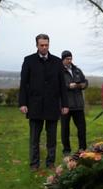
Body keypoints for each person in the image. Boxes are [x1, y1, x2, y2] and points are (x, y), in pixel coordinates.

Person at [19, 34, 69, 171]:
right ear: (37, 45)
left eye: (46, 45)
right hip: (35, 105)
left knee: (51, 137)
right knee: (35, 137)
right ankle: (34, 164)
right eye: (42, 45)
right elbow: (24, 84)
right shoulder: (29, 60)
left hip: (53, 105)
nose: (44, 47)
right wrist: (23, 103)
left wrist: (65, 104)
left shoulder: (57, 61)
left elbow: (62, 85)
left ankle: (50, 162)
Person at [60, 50, 88, 156]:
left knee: (82, 128)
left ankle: (83, 148)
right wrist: (68, 86)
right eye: (67, 59)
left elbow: (85, 81)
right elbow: (57, 86)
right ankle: (66, 150)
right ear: (63, 59)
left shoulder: (77, 70)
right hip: (65, 105)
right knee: (65, 129)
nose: (69, 61)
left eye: (70, 58)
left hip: (78, 105)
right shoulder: (59, 71)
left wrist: (82, 85)